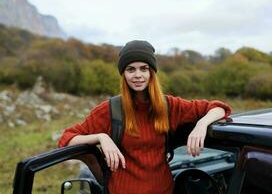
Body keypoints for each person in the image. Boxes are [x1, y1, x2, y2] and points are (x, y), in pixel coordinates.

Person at [58, 40, 232, 194]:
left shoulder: (169, 106)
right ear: (123, 74)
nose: (138, 75)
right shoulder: (110, 110)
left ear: (152, 73)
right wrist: (101, 137)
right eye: (131, 69)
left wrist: (201, 124)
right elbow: (66, 139)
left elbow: (220, 108)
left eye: (144, 69)